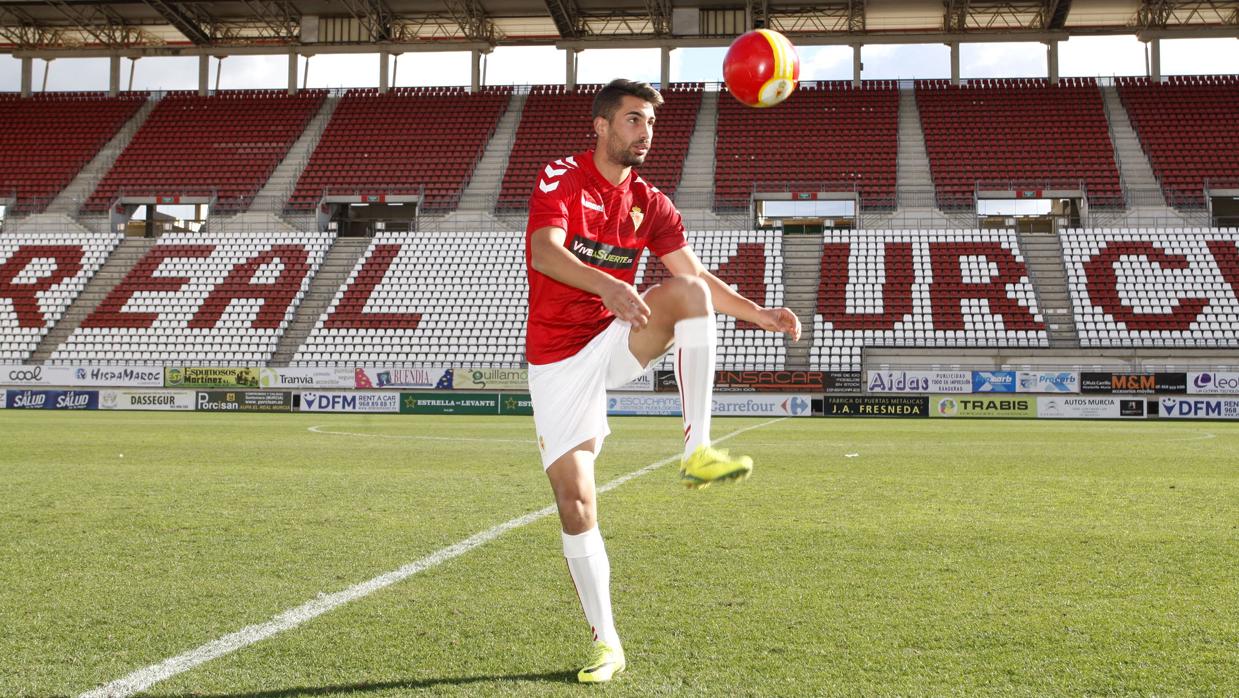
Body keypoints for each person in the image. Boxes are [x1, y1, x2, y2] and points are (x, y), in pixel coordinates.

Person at [524, 78, 801, 683]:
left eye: (649, 122)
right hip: (557, 359)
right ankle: (607, 644)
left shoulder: (651, 202)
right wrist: (609, 285)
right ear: (600, 125)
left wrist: (758, 313)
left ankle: (697, 449)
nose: (644, 131)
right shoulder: (561, 176)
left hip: (616, 336)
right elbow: (544, 252)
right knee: (575, 502)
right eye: (631, 120)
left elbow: (694, 278)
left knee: (689, 292)